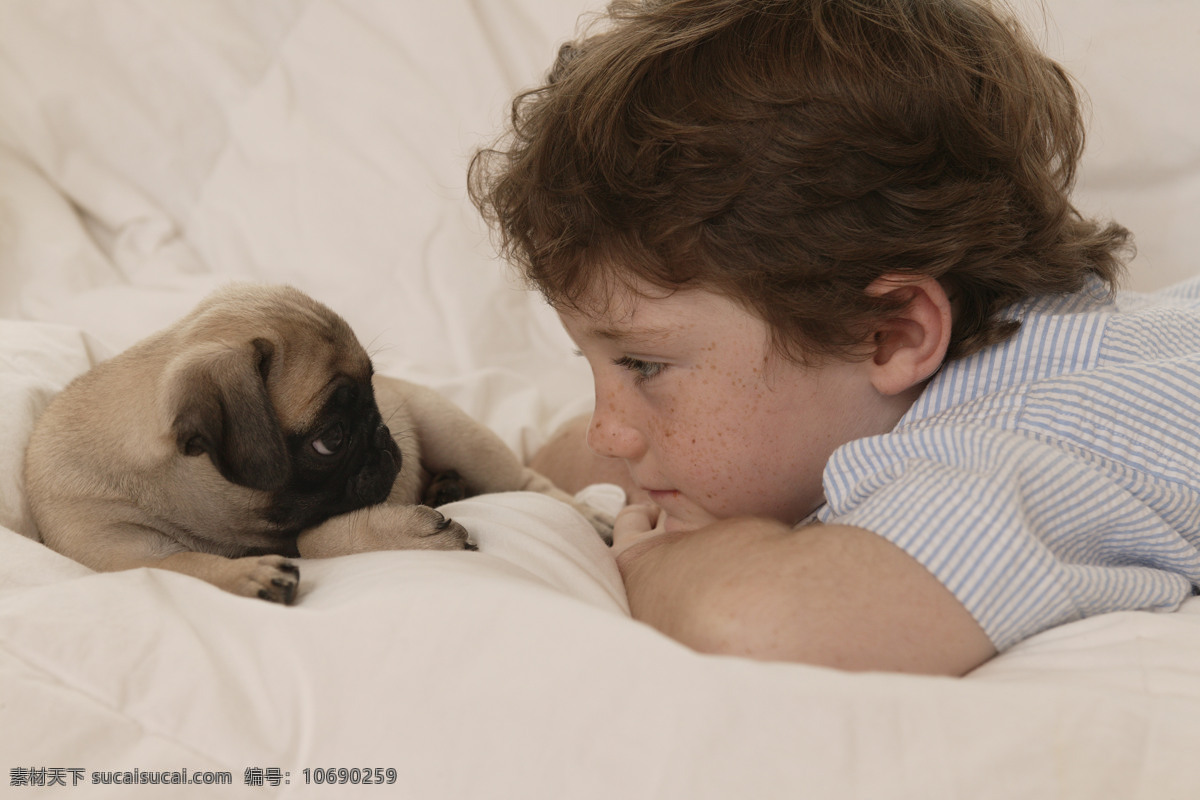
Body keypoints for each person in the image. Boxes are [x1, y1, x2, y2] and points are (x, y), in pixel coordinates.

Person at [468, 0, 1200, 675]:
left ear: (889, 336)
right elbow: (591, 456)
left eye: (644, 365)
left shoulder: (1031, 444)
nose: (609, 431)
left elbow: (757, 623)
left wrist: (650, 561)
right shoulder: (935, 376)